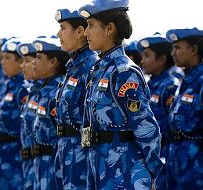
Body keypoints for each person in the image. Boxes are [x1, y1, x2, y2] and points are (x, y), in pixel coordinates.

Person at [78, 0, 163, 189]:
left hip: (124, 171)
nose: (86, 33)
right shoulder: (100, 70)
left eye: (91, 26)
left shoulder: (123, 71)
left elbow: (145, 126)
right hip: (99, 167)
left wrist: (151, 173)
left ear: (109, 29)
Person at [54, 8, 98, 189]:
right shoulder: (73, 65)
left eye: (63, 28)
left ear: (80, 32)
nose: (58, 34)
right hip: (65, 149)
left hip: (81, 151)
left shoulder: (91, 66)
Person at [137, 33, 180, 189]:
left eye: (147, 56)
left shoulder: (170, 86)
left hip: (165, 156)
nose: (142, 61)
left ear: (162, 59)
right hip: (148, 155)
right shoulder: (149, 85)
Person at [166, 27, 203, 190]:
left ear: (193, 50)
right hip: (177, 161)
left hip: (196, 165)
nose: (173, 53)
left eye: (177, 48)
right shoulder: (185, 81)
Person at [0, 38, 28, 189]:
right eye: (2, 58)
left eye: (7, 58)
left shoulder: (22, 89)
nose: (2, 62)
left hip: (14, 156)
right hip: (1, 154)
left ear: (20, 62)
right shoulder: (7, 85)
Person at [31, 37, 69, 190]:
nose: (34, 62)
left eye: (39, 58)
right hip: (40, 163)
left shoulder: (58, 91)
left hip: (54, 164)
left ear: (53, 62)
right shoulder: (42, 90)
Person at [19, 38, 44, 190]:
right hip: (30, 161)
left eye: (27, 60)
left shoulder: (50, 91)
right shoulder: (33, 91)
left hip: (44, 161)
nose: (23, 66)